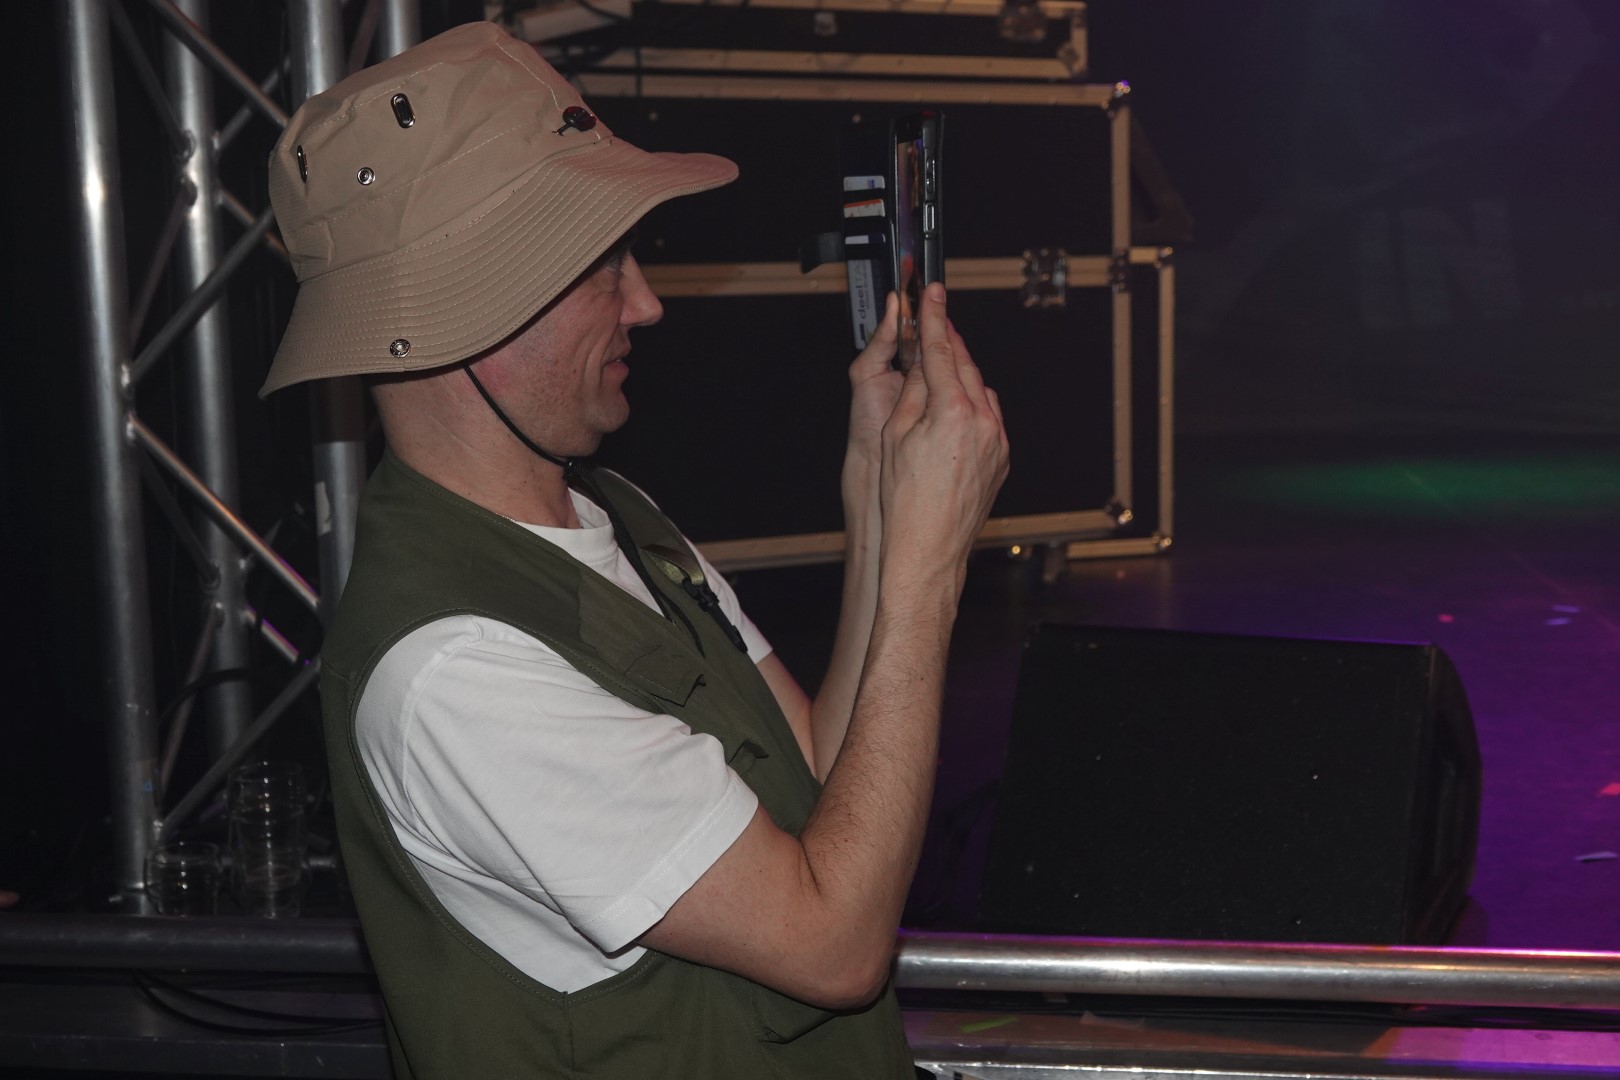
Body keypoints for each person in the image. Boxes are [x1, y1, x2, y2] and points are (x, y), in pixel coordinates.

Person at [260, 21, 1008, 1079]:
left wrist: (885, 515)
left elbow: (820, 777)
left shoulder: (615, 513)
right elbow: (834, 945)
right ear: (455, 311)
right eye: (599, 264)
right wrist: (929, 577)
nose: (646, 302)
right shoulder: (455, 668)